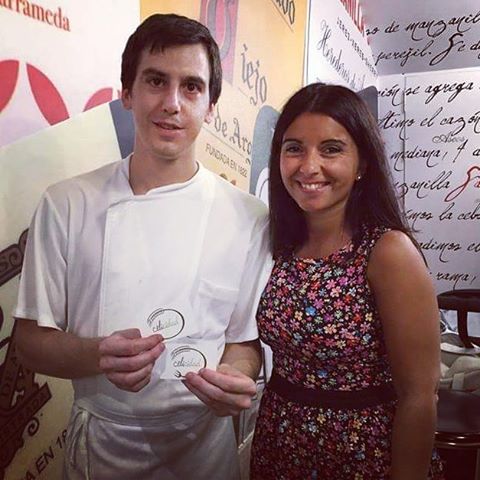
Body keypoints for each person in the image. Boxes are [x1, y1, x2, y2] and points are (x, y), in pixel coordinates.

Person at [14, 13, 271, 480]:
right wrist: (96, 355)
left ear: (210, 105)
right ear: (127, 93)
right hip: (103, 445)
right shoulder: (67, 203)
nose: (172, 103)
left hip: (205, 449)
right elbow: (29, 342)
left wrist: (236, 374)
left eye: (191, 87)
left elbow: (243, 341)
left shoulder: (249, 217)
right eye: (156, 81)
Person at [250, 83, 444, 480]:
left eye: (331, 149)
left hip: (363, 454)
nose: (309, 166)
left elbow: (420, 396)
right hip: (279, 445)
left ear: (362, 164)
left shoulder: (388, 252)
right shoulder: (277, 244)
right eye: (294, 148)